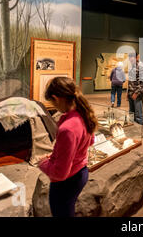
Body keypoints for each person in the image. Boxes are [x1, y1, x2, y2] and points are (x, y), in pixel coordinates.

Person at [38, 77, 98, 217]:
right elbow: (90, 141)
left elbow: (60, 173)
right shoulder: (83, 114)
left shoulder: (68, 128)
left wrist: (43, 163)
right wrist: (60, 154)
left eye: (52, 102)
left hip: (67, 182)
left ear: (56, 98)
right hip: (81, 172)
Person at [127, 53, 143, 125]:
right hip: (130, 94)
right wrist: (128, 93)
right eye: (130, 57)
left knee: (138, 115)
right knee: (131, 114)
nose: (130, 59)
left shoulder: (141, 66)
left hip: (137, 95)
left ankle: (140, 132)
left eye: (132, 57)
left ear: (137, 57)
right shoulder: (131, 66)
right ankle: (133, 130)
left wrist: (136, 93)